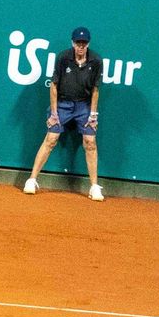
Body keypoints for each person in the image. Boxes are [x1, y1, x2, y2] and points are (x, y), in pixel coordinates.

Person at [23, 25, 105, 202]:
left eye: (84, 43)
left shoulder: (96, 61)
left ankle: (94, 186)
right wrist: (54, 113)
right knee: (51, 139)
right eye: (78, 43)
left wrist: (93, 115)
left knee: (90, 142)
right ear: (72, 43)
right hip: (62, 103)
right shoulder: (63, 58)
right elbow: (53, 86)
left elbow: (96, 90)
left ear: (88, 44)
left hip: (84, 105)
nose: (81, 46)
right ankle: (31, 180)